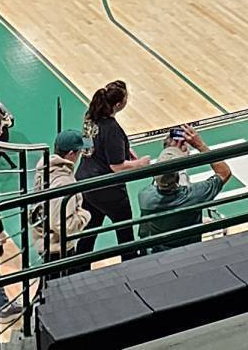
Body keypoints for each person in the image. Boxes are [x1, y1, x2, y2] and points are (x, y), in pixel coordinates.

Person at [136, 127, 235, 253]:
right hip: (189, 250)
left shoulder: (144, 196)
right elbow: (224, 173)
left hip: (158, 251)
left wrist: (170, 151)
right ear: (178, 177)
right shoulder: (194, 195)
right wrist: (201, 146)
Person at [74, 82, 144, 254]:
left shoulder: (90, 117)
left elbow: (89, 146)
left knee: (89, 231)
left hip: (84, 181)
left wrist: (122, 148)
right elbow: (117, 166)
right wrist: (141, 164)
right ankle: (129, 264)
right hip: (107, 188)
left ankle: (78, 268)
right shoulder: (112, 129)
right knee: (125, 231)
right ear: (118, 104)